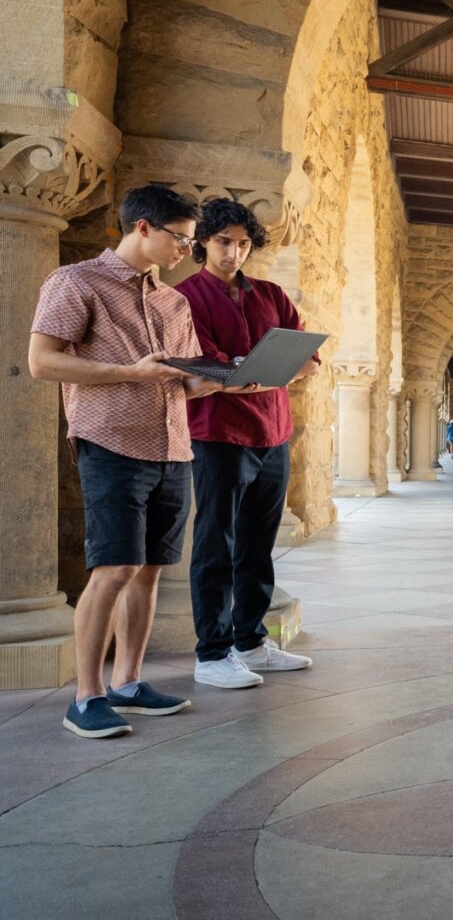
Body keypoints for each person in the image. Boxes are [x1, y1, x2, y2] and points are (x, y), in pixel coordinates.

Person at [28, 185, 228, 738]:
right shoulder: (75, 282)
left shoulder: (174, 302)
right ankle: (85, 697)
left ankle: (129, 683)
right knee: (113, 569)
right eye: (181, 239)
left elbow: (185, 382)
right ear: (143, 227)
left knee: (147, 574)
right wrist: (132, 374)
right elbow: (42, 363)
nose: (187, 251)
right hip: (111, 443)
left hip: (172, 447)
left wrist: (233, 380)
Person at [176, 197, 320, 689]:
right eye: (222, 242)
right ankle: (211, 654)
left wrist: (262, 375)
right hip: (218, 434)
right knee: (216, 542)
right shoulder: (187, 298)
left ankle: (251, 642)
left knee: (260, 543)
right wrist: (248, 375)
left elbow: (306, 357)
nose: (234, 252)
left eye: (241, 243)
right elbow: (205, 366)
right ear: (202, 242)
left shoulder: (272, 294)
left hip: (273, 432)